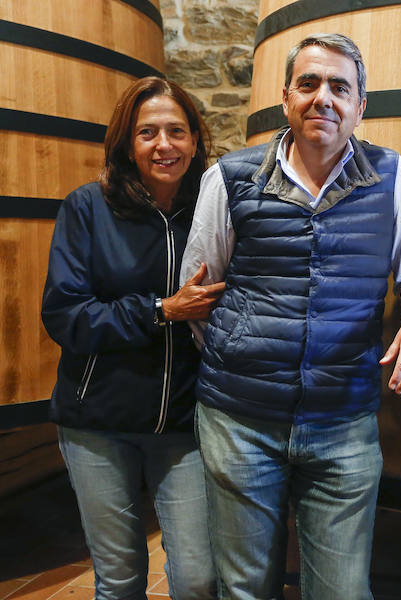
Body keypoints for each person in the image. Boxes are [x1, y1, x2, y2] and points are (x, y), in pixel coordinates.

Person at [180, 33, 401, 599]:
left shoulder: (390, 176)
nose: (323, 97)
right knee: (244, 588)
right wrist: (244, 358)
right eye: (309, 83)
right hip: (239, 421)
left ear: (359, 106)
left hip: (343, 421)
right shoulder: (230, 178)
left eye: (339, 87)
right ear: (286, 98)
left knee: (342, 592)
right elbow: (197, 297)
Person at [41, 76, 223, 599]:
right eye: (148, 133)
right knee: (119, 580)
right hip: (98, 424)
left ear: (195, 141)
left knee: (197, 579)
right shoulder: (87, 207)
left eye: (176, 131)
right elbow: (66, 316)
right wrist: (161, 311)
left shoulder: (212, 210)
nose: (163, 145)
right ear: (126, 142)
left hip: (185, 424)